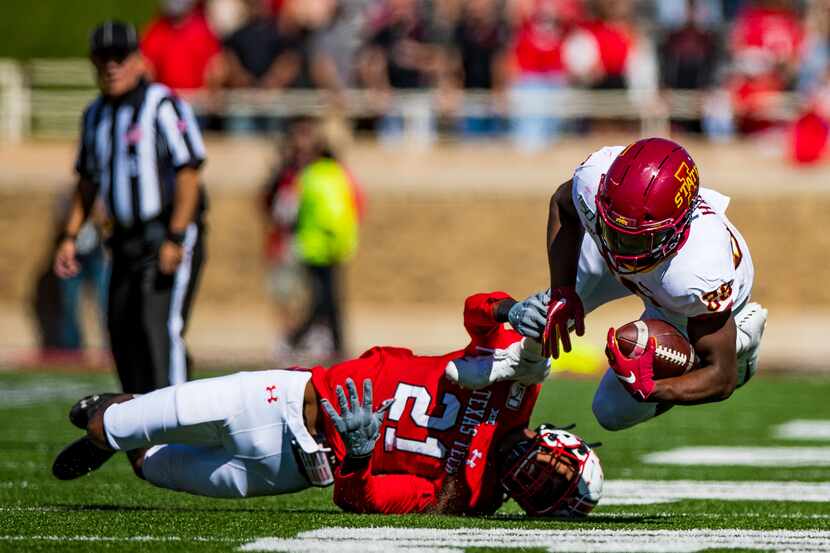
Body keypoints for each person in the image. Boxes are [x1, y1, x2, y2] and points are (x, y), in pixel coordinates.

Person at [51, 291, 603, 517]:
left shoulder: (472, 498)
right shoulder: (519, 381)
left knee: (150, 467)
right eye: (557, 472)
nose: (539, 478)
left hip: (286, 468)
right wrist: (512, 312)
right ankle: (113, 420)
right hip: (283, 397)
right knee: (108, 425)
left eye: (546, 493)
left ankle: (119, 431)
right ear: (563, 442)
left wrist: (361, 454)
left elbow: (357, 498)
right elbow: (475, 311)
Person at [510, 137, 768, 431]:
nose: (624, 248)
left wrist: (653, 388)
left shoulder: (697, 274)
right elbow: (563, 203)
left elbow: (721, 378)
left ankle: (742, 344)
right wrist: (562, 291)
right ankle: (507, 420)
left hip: (676, 297)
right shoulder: (594, 179)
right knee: (543, 318)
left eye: (637, 238)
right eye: (617, 231)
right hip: (635, 248)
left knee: (610, 411)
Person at [53, 21, 208, 394]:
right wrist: (69, 236)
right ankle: (143, 437)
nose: (111, 66)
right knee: (122, 334)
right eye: (103, 58)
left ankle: (179, 429)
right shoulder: (94, 116)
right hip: (123, 241)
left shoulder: (162, 105)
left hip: (165, 235)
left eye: (120, 57)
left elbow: (189, 175)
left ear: (138, 60)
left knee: (159, 330)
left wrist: (174, 236)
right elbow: (87, 181)